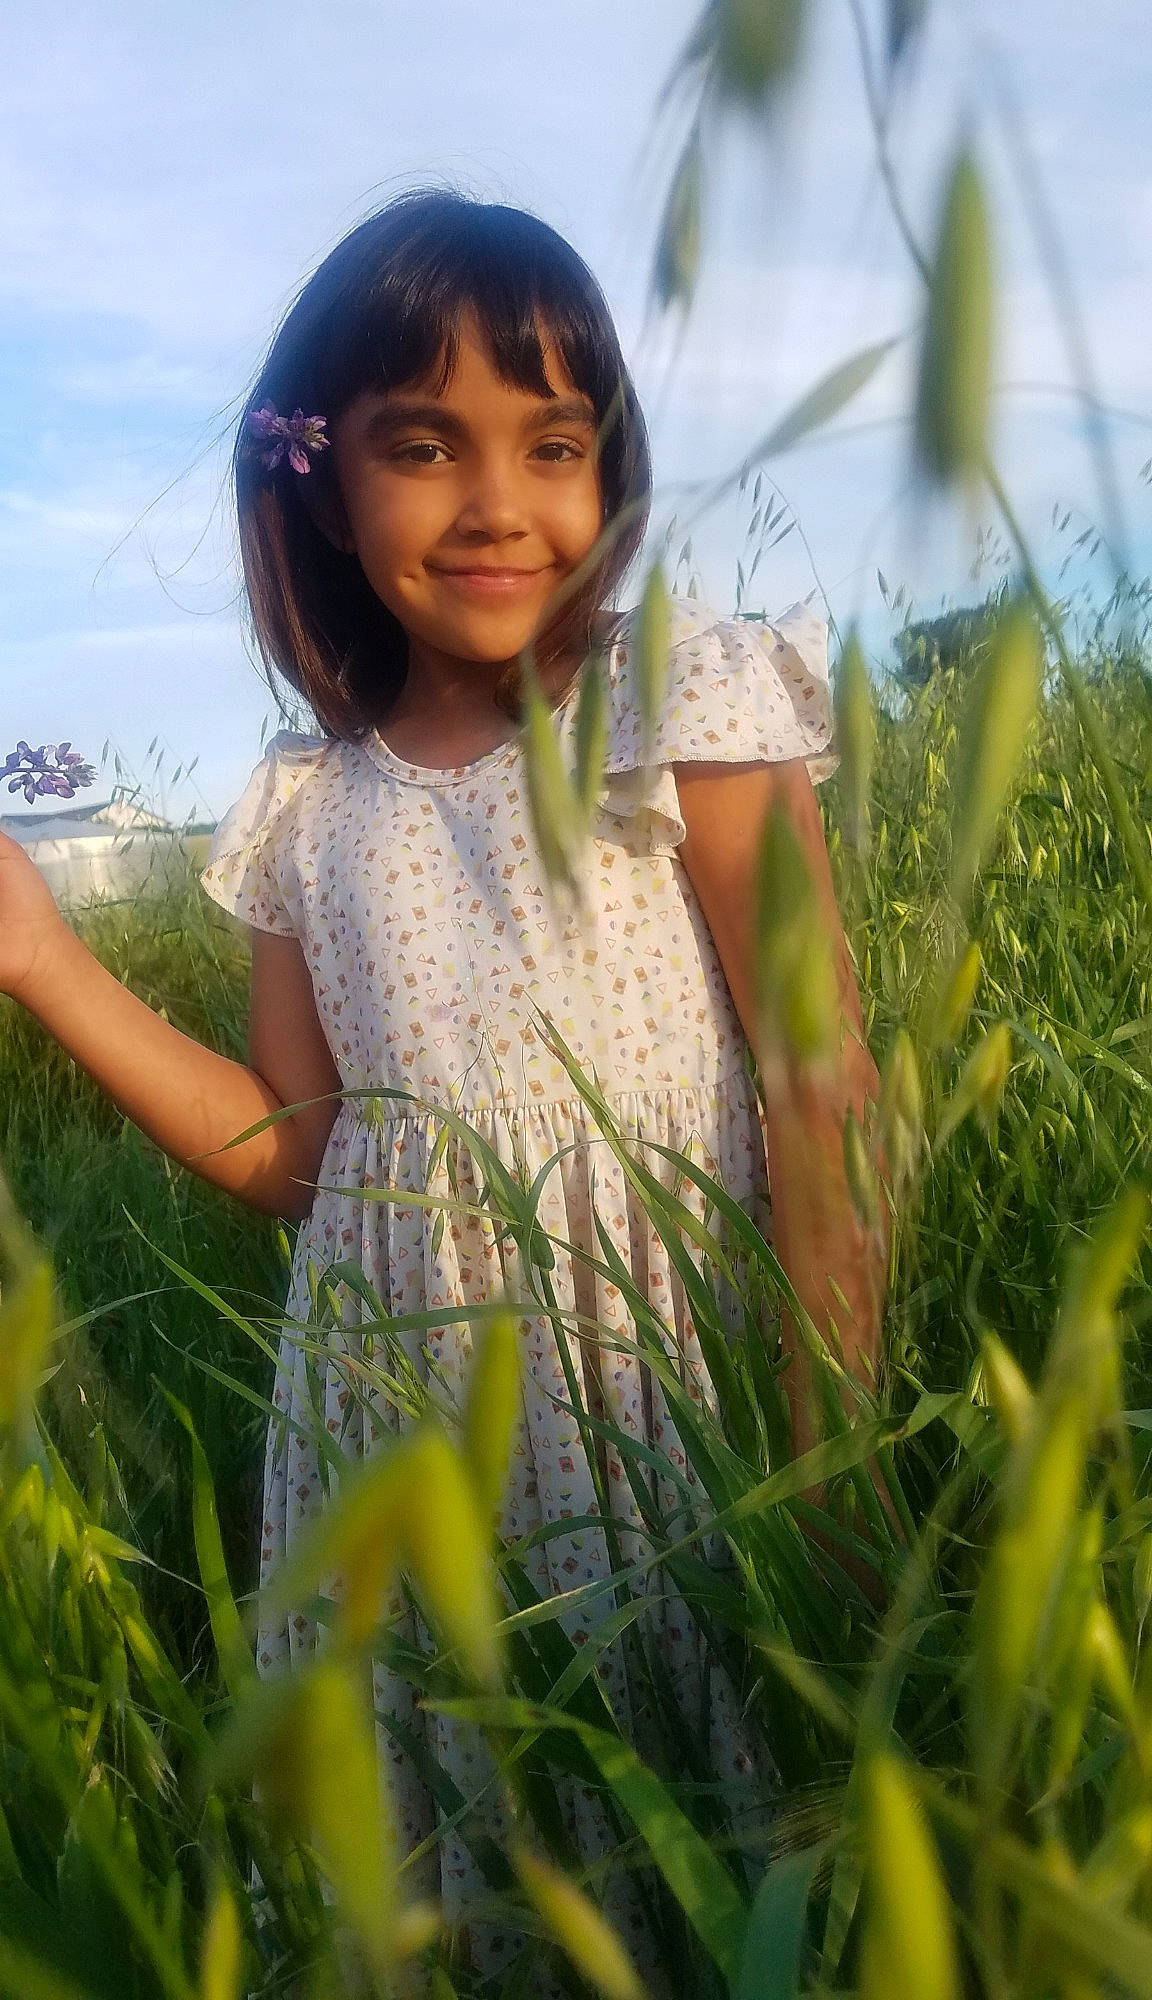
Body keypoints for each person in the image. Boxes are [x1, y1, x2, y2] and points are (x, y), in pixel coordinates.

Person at [0, 187, 883, 1981]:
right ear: (322, 482)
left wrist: (833, 1456)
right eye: (423, 444)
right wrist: (41, 962)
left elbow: (823, 1088)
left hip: (664, 1401)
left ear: (610, 470)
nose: (498, 502)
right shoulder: (309, 808)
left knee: (701, 1842)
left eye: (552, 443)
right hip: (397, 1430)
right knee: (462, 1871)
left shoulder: (681, 701)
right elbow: (296, 1157)